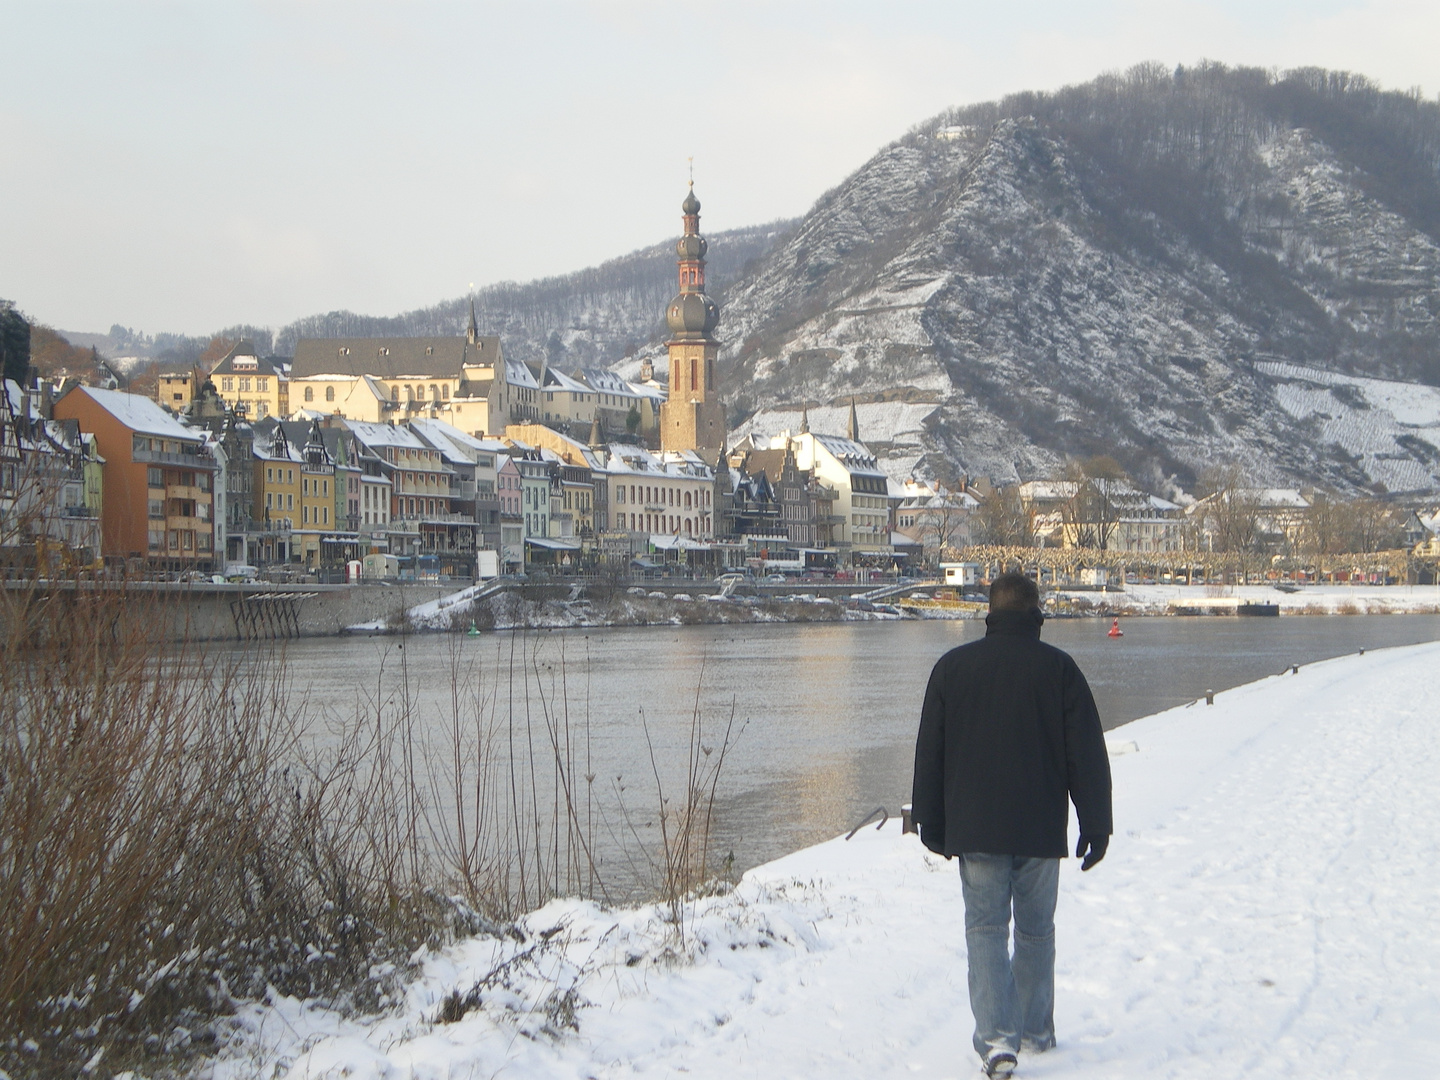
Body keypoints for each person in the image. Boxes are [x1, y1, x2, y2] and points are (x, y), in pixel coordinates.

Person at [911, 572, 1112, 1078]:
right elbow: (1085, 753)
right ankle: (1035, 1031)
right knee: (1036, 931)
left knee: (984, 930)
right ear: (1036, 614)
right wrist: (1096, 823)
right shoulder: (1059, 670)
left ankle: (998, 1039)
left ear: (990, 614)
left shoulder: (951, 669)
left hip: (976, 828)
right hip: (1041, 828)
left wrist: (930, 823)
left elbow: (929, 754)